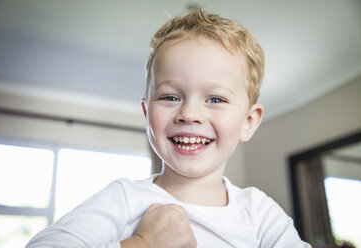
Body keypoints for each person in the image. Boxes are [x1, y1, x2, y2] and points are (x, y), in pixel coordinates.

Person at [26, 9, 311, 248]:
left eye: (215, 99)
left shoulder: (260, 213)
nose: (189, 114)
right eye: (170, 97)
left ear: (248, 123)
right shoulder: (124, 199)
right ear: (147, 113)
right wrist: (142, 244)